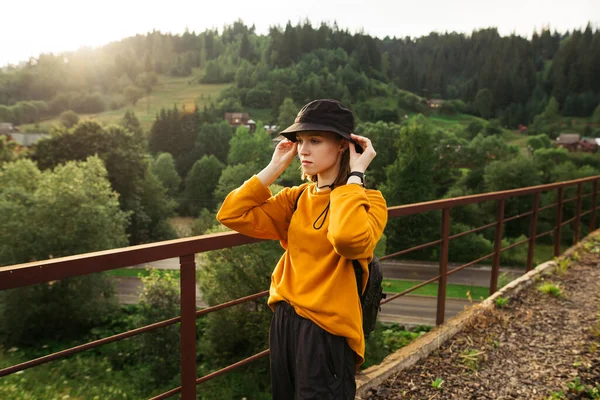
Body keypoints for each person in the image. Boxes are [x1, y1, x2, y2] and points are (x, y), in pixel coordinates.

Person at [216, 99, 388, 399]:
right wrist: (274, 167)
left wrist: (355, 177)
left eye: (315, 140)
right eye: (300, 141)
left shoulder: (369, 202)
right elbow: (231, 214)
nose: (303, 150)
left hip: (326, 331)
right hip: (285, 319)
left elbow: (347, 241)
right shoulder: (296, 198)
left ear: (343, 147)